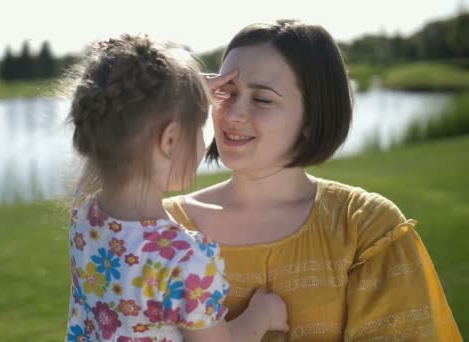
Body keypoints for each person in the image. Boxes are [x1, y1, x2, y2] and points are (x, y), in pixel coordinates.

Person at [164, 20, 461, 341]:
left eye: (262, 99)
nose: (233, 113)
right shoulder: (162, 226)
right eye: (225, 92)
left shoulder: (366, 228)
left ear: (311, 116)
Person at [65, 34, 288, 342]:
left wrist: (180, 95)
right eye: (199, 129)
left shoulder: (84, 213)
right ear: (170, 140)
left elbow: (116, 123)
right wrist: (262, 316)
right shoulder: (183, 259)